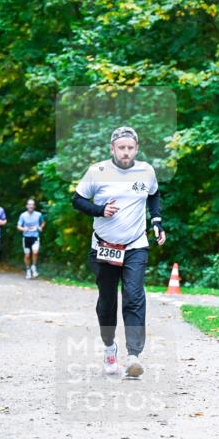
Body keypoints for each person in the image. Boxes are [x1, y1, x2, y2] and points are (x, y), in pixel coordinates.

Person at [71, 126, 166, 377]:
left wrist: (156, 221)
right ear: (112, 148)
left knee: (134, 296)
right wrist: (100, 210)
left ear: (137, 148)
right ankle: (109, 347)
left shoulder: (146, 171)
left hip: (135, 245)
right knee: (107, 301)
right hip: (103, 247)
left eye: (130, 148)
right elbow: (77, 201)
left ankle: (134, 355)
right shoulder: (97, 172)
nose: (126, 152)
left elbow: (154, 195)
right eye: (121, 148)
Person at [17, 198, 45, 279]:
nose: (31, 206)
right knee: (27, 255)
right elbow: (18, 226)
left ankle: (34, 267)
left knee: (35, 252)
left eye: (32, 205)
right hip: (26, 238)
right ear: (26, 206)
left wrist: (40, 227)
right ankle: (28, 270)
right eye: (29, 204)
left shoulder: (38, 214)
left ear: (34, 206)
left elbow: (43, 222)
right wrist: (24, 229)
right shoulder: (23, 215)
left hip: (35, 237)